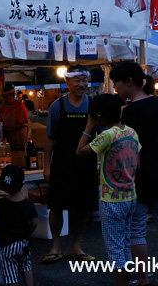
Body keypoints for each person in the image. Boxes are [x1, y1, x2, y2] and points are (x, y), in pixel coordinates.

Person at [110, 61, 158, 286]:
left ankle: (143, 279)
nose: (115, 88)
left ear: (129, 82)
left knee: (137, 230)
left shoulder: (131, 111)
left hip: (140, 174)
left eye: (117, 83)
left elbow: (131, 147)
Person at [76, 94, 140, 286]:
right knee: (125, 245)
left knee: (115, 250)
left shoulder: (107, 135)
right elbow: (138, 164)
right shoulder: (132, 132)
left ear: (98, 116)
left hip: (111, 200)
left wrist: (88, 126)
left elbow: (80, 151)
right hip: (130, 195)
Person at [43, 65, 98, 262]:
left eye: (85, 80)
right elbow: (49, 139)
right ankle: (56, 245)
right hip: (61, 163)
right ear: (67, 83)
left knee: (82, 207)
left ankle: (76, 245)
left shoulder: (93, 105)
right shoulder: (58, 106)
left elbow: (101, 135)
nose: (83, 84)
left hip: (87, 164)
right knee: (56, 206)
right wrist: (46, 166)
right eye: (78, 80)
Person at [0, 165, 38, 286]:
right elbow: (34, 222)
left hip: (7, 244)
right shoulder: (29, 204)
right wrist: (28, 232)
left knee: (10, 272)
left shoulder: (1, 204)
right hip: (24, 242)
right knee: (26, 266)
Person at [0, 85, 29, 150]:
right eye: (3, 97)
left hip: (20, 141)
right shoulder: (3, 107)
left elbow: (24, 123)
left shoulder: (20, 106)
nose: (4, 99)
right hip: (8, 142)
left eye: (6, 97)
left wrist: (8, 130)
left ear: (12, 96)